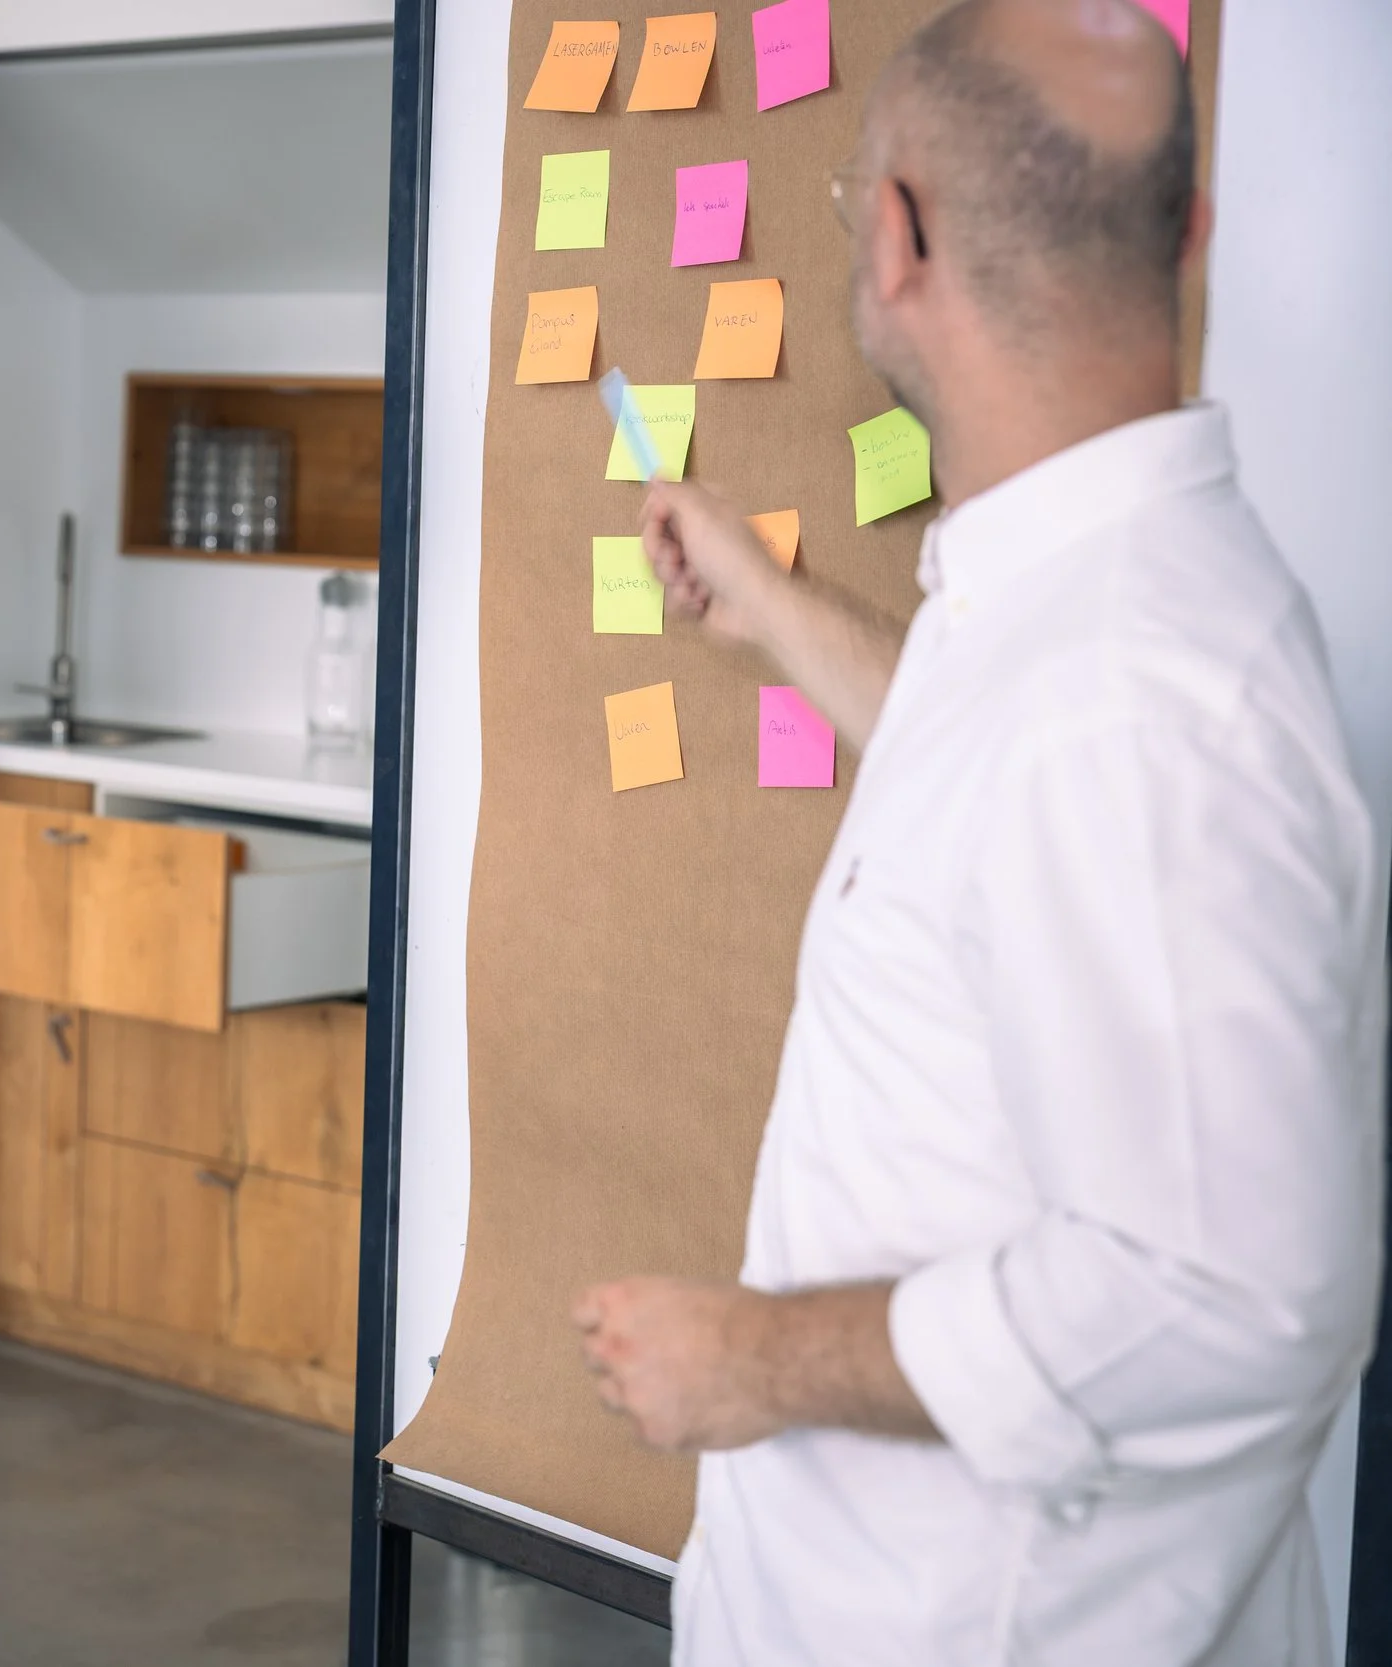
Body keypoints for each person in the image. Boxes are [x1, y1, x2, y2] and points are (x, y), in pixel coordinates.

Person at [568, 1, 1384, 1661]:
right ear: (1189, 232)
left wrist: (750, 1358)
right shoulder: (1082, 602)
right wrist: (776, 609)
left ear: (899, 234)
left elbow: (1229, 1297)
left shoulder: (1144, 700)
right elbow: (987, 764)